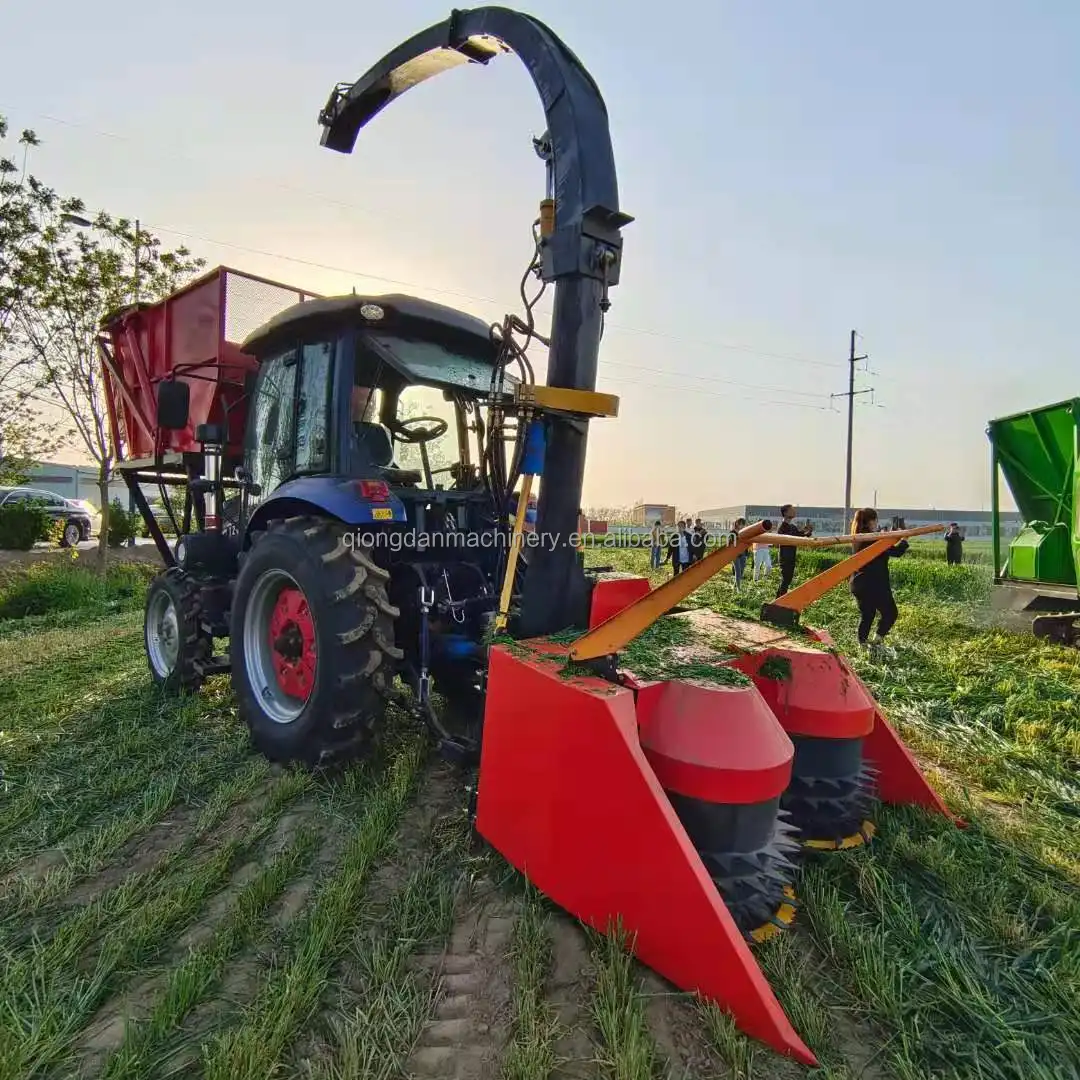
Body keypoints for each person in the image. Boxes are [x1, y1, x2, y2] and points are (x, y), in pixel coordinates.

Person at [849, 507, 908, 651]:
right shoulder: (873, 538)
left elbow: (887, 549)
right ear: (871, 521)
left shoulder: (860, 537)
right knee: (891, 613)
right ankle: (876, 642)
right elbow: (896, 552)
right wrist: (904, 539)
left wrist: (890, 537)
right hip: (874, 583)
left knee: (867, 615)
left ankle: (862, 645)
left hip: (859, 582)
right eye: (876, 520)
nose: (877, 523)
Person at [775, 503, 803, 597]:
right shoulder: (782, 527)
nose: (794, 511)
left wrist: (807, 532)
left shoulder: (793, 527)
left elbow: (800, 536)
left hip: (792, 556)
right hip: (785, 558)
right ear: (785, 513)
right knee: (785, 579)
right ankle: (778, 599)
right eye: (791, 510)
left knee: (788, 579)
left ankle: (781, 598)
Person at [728, 517, 748, 590]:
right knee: (738, 571)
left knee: (741, 571)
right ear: (737, 523)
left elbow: (746, 543)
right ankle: (738, 589)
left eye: (743, 524)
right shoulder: (732, 532)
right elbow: (732, 544)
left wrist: (746, 554)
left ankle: (735, 586)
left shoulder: (744, 532)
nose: (742, 526)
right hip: (735, 554)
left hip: (743, 554)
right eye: (740, 524)